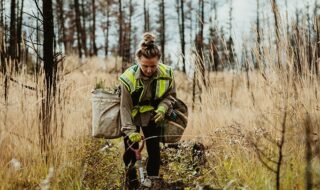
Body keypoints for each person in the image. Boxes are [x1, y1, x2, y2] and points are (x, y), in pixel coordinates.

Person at [119, 32, 176, 189]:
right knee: (130, 154)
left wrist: (163, 108)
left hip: (153, 115)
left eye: (153, 66)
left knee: (154, 152)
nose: (149, 70)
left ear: (158, 61)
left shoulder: (167, 73)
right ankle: (131, 184)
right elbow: (124, 107)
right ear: (138, 61)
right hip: (131, 116)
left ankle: (153, 184)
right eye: (145, 66)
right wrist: (130, 131)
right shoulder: (127, 78)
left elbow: (171, 96)